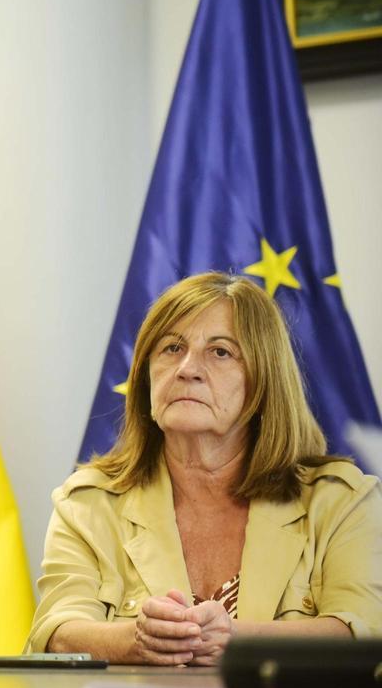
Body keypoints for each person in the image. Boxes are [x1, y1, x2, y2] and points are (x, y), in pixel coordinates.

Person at [29, 272, 382, 665]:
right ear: (146, 377)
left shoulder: (341, 502)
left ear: (264, 380)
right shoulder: (89, 504)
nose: (187, 369)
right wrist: (136, 640)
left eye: (220, 352)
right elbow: (55, 633)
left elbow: (364, 634)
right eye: (171, 348)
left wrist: (237, 640)